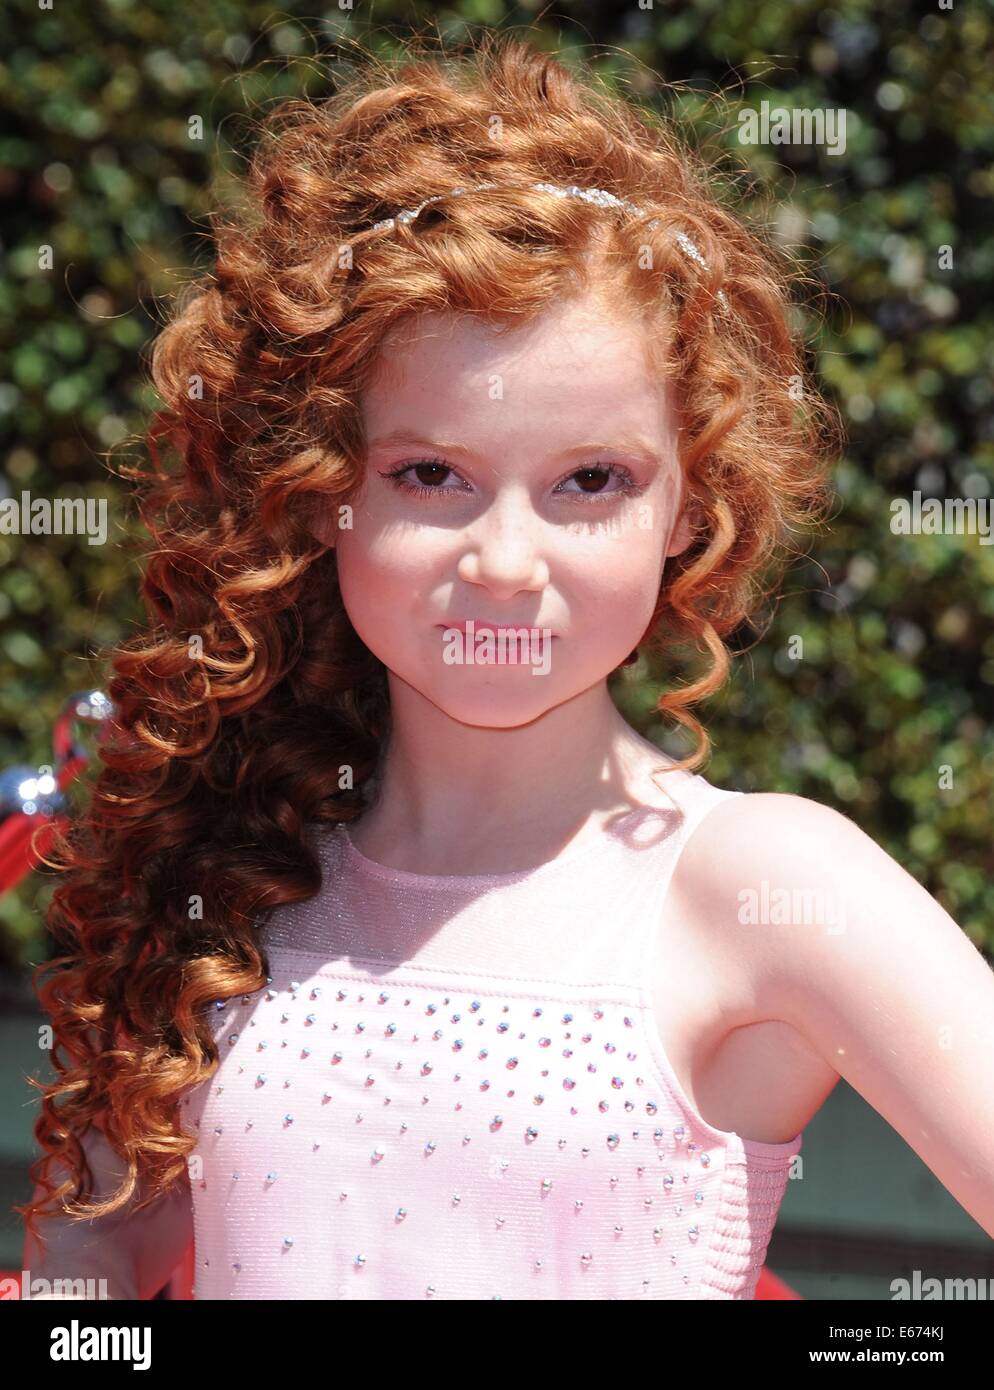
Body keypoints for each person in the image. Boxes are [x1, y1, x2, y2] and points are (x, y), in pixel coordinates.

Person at [18, 32, 994, 1302]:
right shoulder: (226, 869)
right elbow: (83, 1295)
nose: (504, 560)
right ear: (324, 495)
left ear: (690, 507)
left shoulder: (762, 884)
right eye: (433, 475)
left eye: (592, 481)